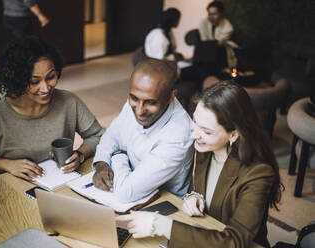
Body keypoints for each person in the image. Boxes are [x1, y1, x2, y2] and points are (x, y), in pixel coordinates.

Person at [117, 81, 283, 248]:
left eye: (207, 131)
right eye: (195, 121)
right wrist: (194, 197)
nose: (194, 134)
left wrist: (161, 225)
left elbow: (235, 241)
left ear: (233, 135)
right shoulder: (206, 149)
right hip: (204, 233)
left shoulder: (259, 173)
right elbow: (202, 190)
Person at [0, 36, 104, 181]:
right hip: (11, 187)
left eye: (50, 77)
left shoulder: (69, 102)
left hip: (58, 183)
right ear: (17, 80)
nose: (45, 88)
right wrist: (6, 164)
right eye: (34, 81)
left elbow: (98, 135)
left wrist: (80, 154)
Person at [92, 59, 194, 203]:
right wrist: (102, 164)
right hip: (124, 186)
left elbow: (126, 193)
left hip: (162, 206)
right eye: (134, 98)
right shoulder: (139, 99)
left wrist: (118, 155)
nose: (139, 111)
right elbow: (111, 136)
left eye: (151, 102)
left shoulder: (179, 134)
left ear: (171, 96)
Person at [199, 1, 238, 68]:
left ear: (221, 14)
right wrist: (226, 42)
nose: (211, 17)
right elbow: (205, 42)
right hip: (206, 56)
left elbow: (216, 44)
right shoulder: (203, 23)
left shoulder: (228, 27)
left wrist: (223, 42)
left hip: (221, 57)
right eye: (209, 14)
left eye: (214, 14)